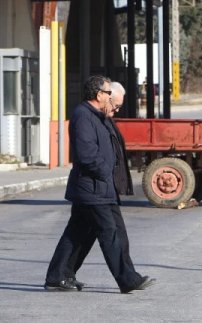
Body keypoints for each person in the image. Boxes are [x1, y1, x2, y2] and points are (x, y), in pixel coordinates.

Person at [44, 75, 155, 293]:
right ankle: (128, 279)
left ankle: (58, 276)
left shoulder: (100, 116)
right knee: (111, 234)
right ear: (99, 95)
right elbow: (86, 155)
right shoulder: (83, 116)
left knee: (77, 235)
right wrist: (107, 172)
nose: (110, 97)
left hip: (102, 188)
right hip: (93, 188)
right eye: (108, 93)